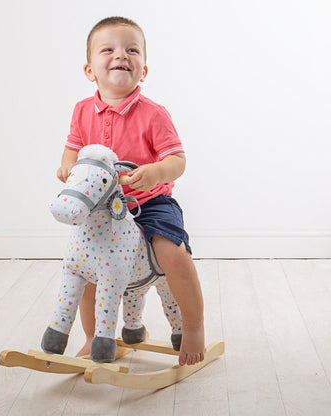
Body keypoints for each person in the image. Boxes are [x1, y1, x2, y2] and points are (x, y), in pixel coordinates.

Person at [56, 16, 204, 366]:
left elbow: (178, 160)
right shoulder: (82, 111)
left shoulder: (154, 114)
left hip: (151, 202)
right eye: (108, 49)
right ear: (90, 70)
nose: (121, 55)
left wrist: (155, 172)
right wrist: (67, 165)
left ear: (144, 69)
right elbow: (73, 147)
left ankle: (194, 327)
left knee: (173, 254)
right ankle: (93, 336)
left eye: (131, 50)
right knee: (87, 266)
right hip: (102, 209)